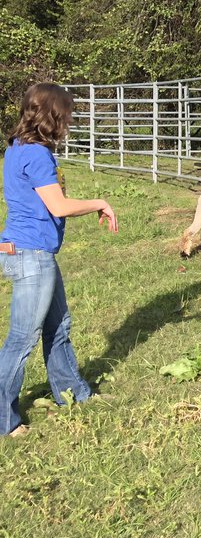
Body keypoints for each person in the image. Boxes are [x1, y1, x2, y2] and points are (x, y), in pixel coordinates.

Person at [0, 83, 118, 437]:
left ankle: (72, 393)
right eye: (66, 113)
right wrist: (100, 202)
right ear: (53, 115)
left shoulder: (17, 148)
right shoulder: (35, 154)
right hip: (31, 254)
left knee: (58, 327)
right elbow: (59, 206)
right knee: (22, 339)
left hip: (29, 251)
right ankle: (4, 420)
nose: (69, 120)